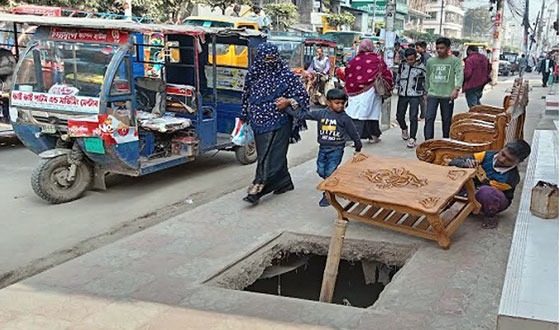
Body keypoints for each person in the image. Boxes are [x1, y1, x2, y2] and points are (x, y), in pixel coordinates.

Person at [240, 43, 309, 205]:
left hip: (279, 121)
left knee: (269, 155)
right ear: (260, 59)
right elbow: (246, 95)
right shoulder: (253, 74)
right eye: (266, 59)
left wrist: (287, 101)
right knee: (270, 153)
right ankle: (284, 182)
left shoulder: (286, 75)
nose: (270, 62)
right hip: (258, 122)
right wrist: (244, 114)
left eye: (273, 58)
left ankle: (259, 186)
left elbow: (302, 96)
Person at [281, 89, 362, 207]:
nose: (340, 105)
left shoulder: (345, 118)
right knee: (321, 170)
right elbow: (303, 115)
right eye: (337, 103)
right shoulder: (321, 114)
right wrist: (286, 109)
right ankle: (334, 180)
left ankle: (328, 194)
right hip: (323, 148)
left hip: (337, 149)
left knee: (329, 171)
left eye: (342, 103)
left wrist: (358, 145)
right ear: (328, 103)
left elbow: (354, 132)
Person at [449, 139, 531, 229]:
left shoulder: (511, 178)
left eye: (509, 160)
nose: (502, 160)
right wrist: (465, 163)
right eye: (503, 154)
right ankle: (460, 202)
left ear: (519, 162)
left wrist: (474, 172)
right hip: (472, 188)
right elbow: (454, 162)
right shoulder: (486, 155)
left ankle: (490, 216)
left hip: (491, 198)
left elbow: (483, 186)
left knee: (486, 193)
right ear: (503, 148)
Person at [344, 39, 393, 144]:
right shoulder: (377, 59)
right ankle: (372, 136)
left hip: (354, 91)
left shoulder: (353, 61)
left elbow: (347, 74)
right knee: (372, 113)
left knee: (357, 113)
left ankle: (355, 138)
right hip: (372, 89)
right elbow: (386, 72)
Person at [424, 37, 463, 140]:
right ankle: (428, 141)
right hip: (433, 94)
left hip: (447, 95)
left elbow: (459, 74)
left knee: (446, 120)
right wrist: (426, 91)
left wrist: (456, 89)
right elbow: (427, 76)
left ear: (448, 48)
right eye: (437, 48)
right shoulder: (431, 61)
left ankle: (446, 140)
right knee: (429, 118)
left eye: (442, 48)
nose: (439, 50)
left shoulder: (455, 61)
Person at [396, 48, 426, 148]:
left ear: (415, 57)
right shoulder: (403, 66)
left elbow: (426, 80)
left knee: (413, 117)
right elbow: (398, 77)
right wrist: (397, 86)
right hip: (403, 94)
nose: (410, 62)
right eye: (408, 59)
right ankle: (404, 129)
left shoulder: (421, 67)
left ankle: (412, 138)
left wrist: (424, 92)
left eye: (412, 59)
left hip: (415, 95)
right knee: (399, 115)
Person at [415, 41, 431, 120]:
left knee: (423, 98)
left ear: (423, 48)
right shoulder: (424, 56)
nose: (416, 49)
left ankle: (423, 115)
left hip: (424, 80)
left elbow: (424, 69)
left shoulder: (425, 57)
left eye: (417, 48)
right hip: (423, 80)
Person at [0, 48, 16, 123]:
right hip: (6, 85)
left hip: (8, 86)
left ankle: (7, 118)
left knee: (6, 102)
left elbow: (6, 69)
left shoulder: (7, 59)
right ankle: (6, 117)